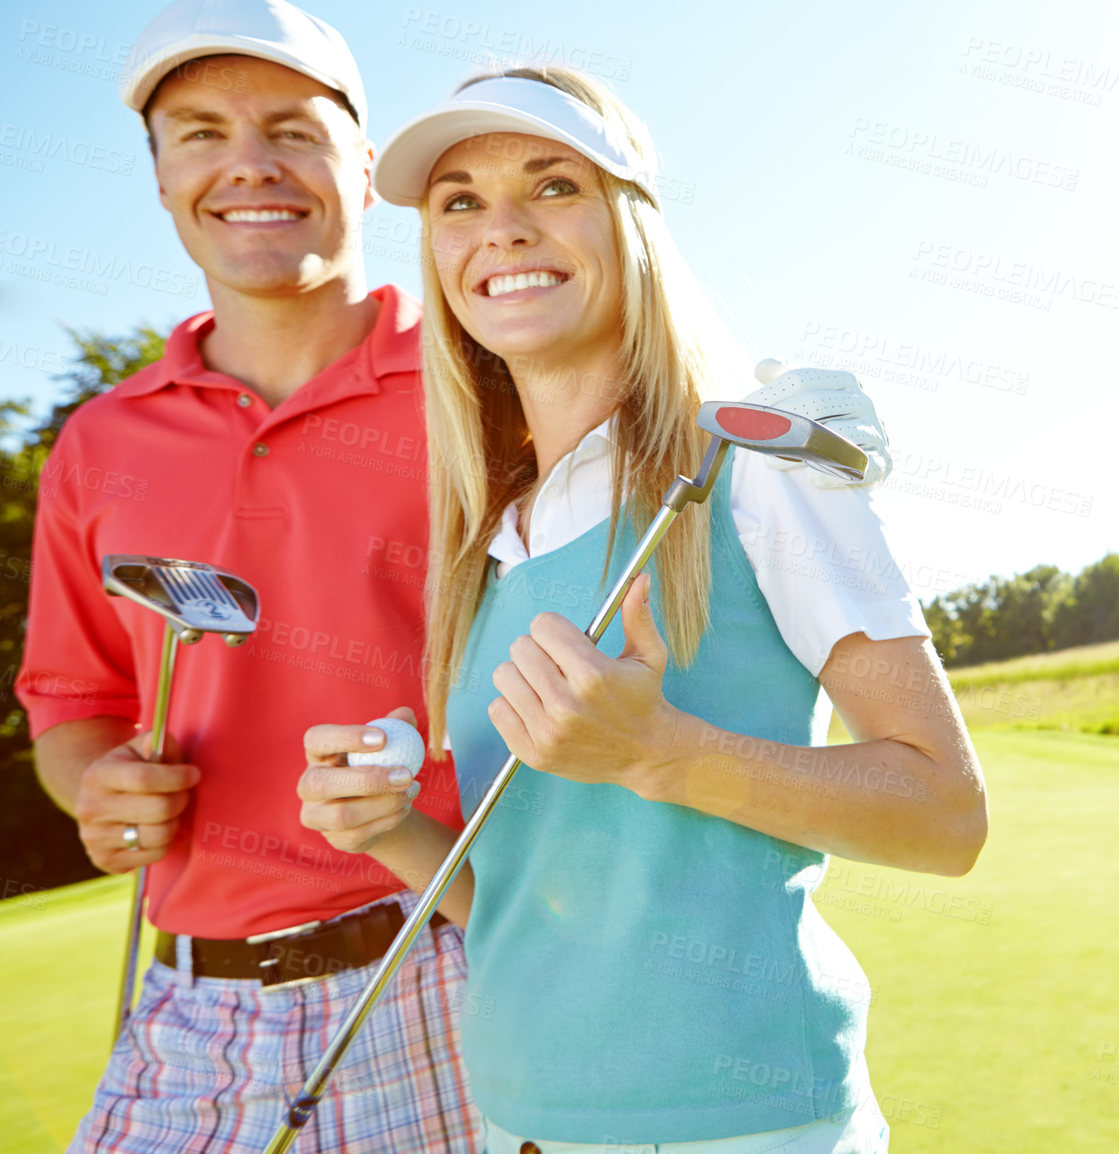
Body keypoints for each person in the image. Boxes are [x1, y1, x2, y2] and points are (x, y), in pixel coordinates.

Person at [20, 2, 891, 1150]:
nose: (247, 163)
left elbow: (665, 432)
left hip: (449, 946)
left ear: (364, 165)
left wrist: (802, 424)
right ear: (159, 173)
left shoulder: (485, 383)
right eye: (198, 132)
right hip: (191, 992)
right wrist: (94, 787)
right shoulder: (100, 441)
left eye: (291, 126)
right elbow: (72, 707)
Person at [297, 66, 987, 1154]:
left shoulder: (754, 458)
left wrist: (661, 752)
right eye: (459, 202)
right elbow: (527, 902)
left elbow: (947, 815)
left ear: (631, 221)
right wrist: (392, 829)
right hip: (520, 1122)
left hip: (744, 1124)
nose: (503, 228)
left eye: (554, 184)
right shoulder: (485, 541)